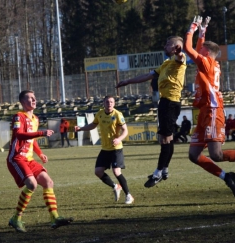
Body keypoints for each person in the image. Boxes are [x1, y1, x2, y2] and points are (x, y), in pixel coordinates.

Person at [116, 36, 187, 188]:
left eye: (168, 44)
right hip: (166, 103)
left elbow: (180, 58)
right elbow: (148, 76)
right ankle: (165, 170)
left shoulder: (178, 60)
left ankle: (158, 173)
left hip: (170, 103)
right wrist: (128, 81)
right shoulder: (166, 63)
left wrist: (179, 53)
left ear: (175, 47)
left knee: (165, 139)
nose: (165, 45)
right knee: (167, 137)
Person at [7, 90, 73, 232]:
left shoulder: (35, 119)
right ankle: (16, 218)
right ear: (23, 102)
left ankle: (54, 218)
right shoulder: (18, 117)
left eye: (34, 98)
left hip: (29, 159)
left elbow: (32, 140)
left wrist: (40, 153)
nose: (34, 100)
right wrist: (42, 133)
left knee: (48, 182)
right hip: (17, 158)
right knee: (32, 184)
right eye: (30, 98)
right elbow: (19, 135)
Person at [184, 16, 235, 196]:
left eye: (202, 50)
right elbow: (197, 48)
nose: (200, 51)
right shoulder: (208, 63)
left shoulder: (206, 63)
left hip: (213, 111)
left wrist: (193, 27)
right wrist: (203, 31)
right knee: (194, 155)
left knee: (216, 155)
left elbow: (188, 49)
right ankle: (227, 177)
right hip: (205, 112)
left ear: (206, 53)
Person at [74, 95, 134, 204]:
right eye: (107, 102)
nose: (109, 104)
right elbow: (93, 125)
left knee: (116, 171)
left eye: (111, 102)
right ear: (103, 103)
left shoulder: (118, 115)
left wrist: (119, 139)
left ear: (114, 103)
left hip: (116, 148)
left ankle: (129, 195)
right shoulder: (100, 114)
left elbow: (125, 130)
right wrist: (81, 128)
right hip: (105, 148)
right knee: (98, 172)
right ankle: (115, 186)